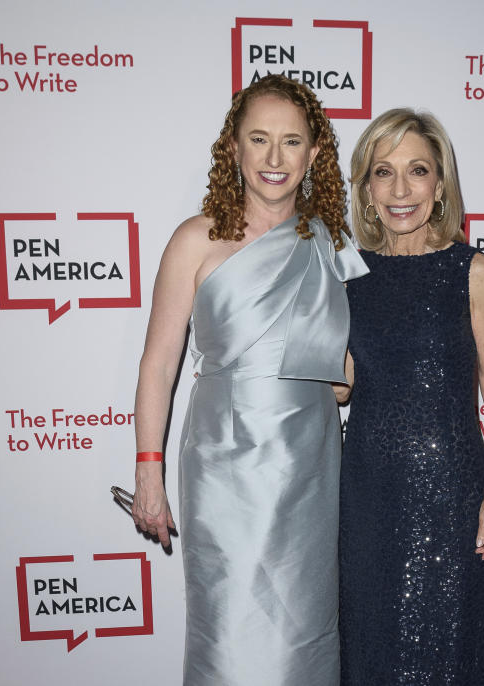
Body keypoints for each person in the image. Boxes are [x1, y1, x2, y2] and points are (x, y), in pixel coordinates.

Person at [131, 74, 367, 685]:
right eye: (258, 139)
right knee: (231, 630)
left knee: (306, 632)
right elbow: (159, 363)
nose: (273, 158)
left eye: (291, 142)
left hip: (312, 461)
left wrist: (342, 375)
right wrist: (148, 472)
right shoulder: (196, 239)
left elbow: (343, 370)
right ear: (232, 148)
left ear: (314, 154)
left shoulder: (333, 243)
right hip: (225, 462)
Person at [337, 108, 484, 684]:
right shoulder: (347, 274)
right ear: (366, 188)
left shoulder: (474, 271)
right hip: (365, 497)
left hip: (452, 498)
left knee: (446, 657)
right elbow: (342, 383)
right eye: (382, 173)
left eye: (417, 171)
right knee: (370, 651)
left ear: (440, 185)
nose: (400, 189)